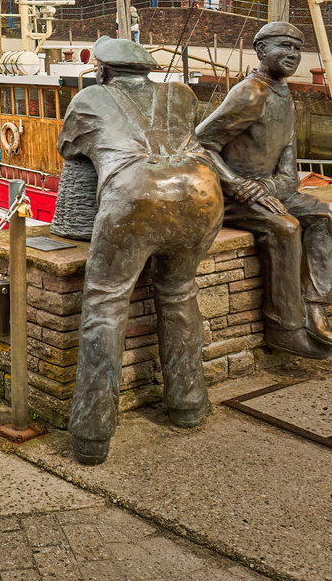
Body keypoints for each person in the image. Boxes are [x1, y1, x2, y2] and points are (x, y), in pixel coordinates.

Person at [59, 36, 224, 465]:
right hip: (202, 192)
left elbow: (72, 155)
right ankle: (187, 406)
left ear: (104, 71)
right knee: (179, 293)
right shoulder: (182, 94)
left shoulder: (90, 97)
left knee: (105, 305)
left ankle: (91, 436)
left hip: (136, 197)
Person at [195, 22, 332, 359]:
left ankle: (314, 306)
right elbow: (199, 144)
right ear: (261, 51)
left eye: (297, 48)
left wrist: (270, 187)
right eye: (284, 46)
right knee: (286, 228)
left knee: (330, 215)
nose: (293, 54)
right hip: (234, 198)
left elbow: (289, 171)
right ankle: (285, 328)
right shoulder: (251, 93)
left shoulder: (285, 96)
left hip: (269, 191)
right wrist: (237, 183)